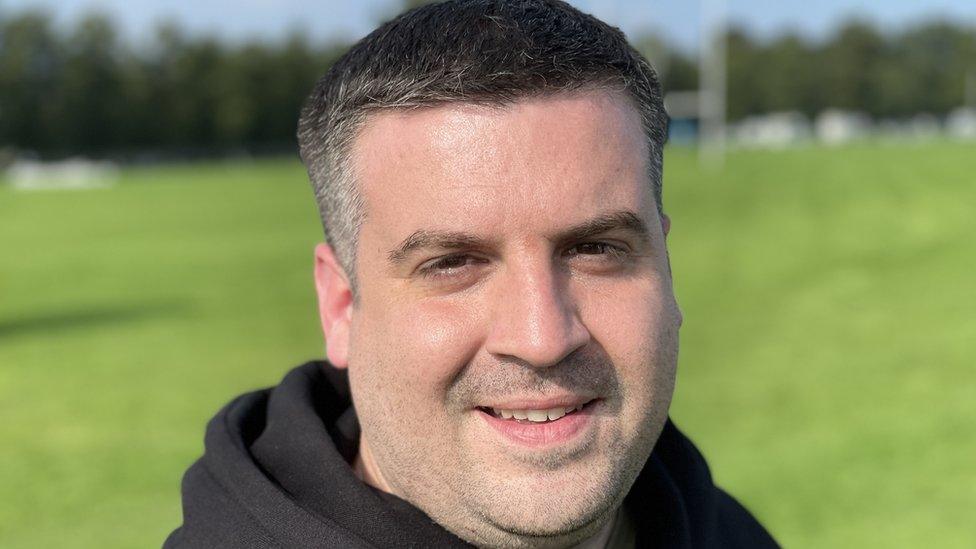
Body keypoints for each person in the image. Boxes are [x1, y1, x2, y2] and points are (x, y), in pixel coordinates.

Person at [165, 1, 778, 547]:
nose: (542, 338)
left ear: (665, 268)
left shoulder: (729, 533)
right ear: (341, 306)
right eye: (453, 264)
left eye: (595, 248)